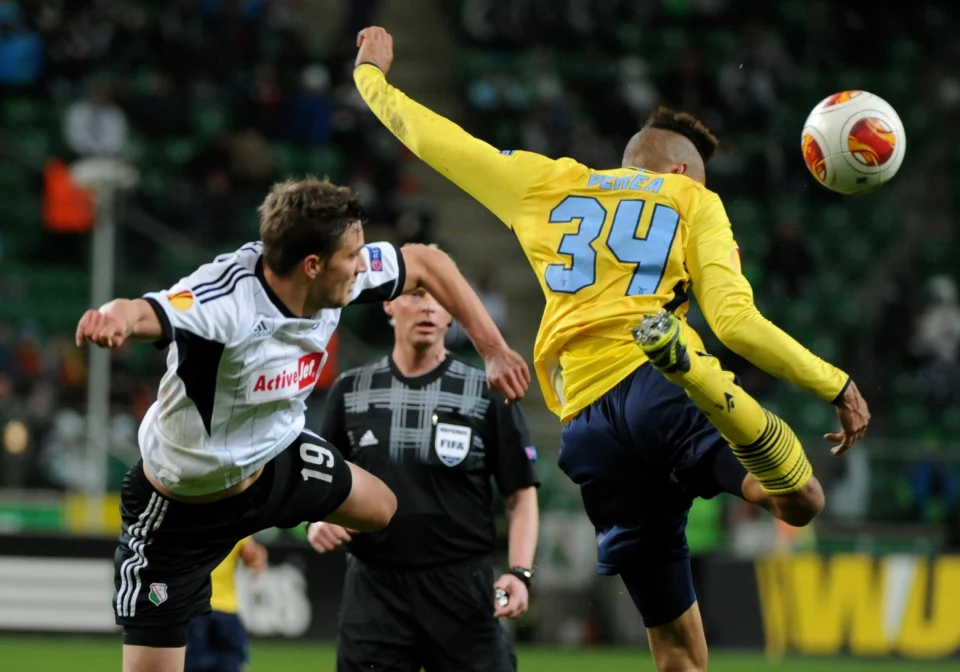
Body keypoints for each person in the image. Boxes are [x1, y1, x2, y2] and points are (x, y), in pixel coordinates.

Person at [350, 28, 870, 672]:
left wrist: (370, 76)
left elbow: (436, 140)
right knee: (802, 500)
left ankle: (690, 376)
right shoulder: (692, 200)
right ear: (682, 172)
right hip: (662, 386)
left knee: (678, 651)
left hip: (588, 428)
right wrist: (834, 383)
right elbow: (735, 323)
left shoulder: (546, 183)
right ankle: (700, 379)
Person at [75, 177, 530, 672]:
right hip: (182, 509)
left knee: (382, 508)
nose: (363, 265)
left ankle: (397, 619)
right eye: (353, 255)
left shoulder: (341, 274)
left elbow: (426, 261)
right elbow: (146, 311)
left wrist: (493, 349)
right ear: (312, 266)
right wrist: (113, 318)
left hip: (274, 464)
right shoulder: (226, 301)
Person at [308, 268, 540, 672]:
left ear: (453, 313)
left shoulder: (487, 391)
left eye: (439, 298)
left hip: (462, 589)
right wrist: (316, 520)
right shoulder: (350, 390)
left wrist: (520, 573)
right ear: (389, 303)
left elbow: (520, 494)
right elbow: (320, 482)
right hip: (374, 587)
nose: (429, 306)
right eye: (416, 294)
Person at [185, 537, 267, 672]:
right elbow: (252, 555)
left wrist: (256, 556)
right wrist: (256, 558)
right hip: (221, 610)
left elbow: (252, 553)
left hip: (197, 609)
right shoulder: (235, 517)